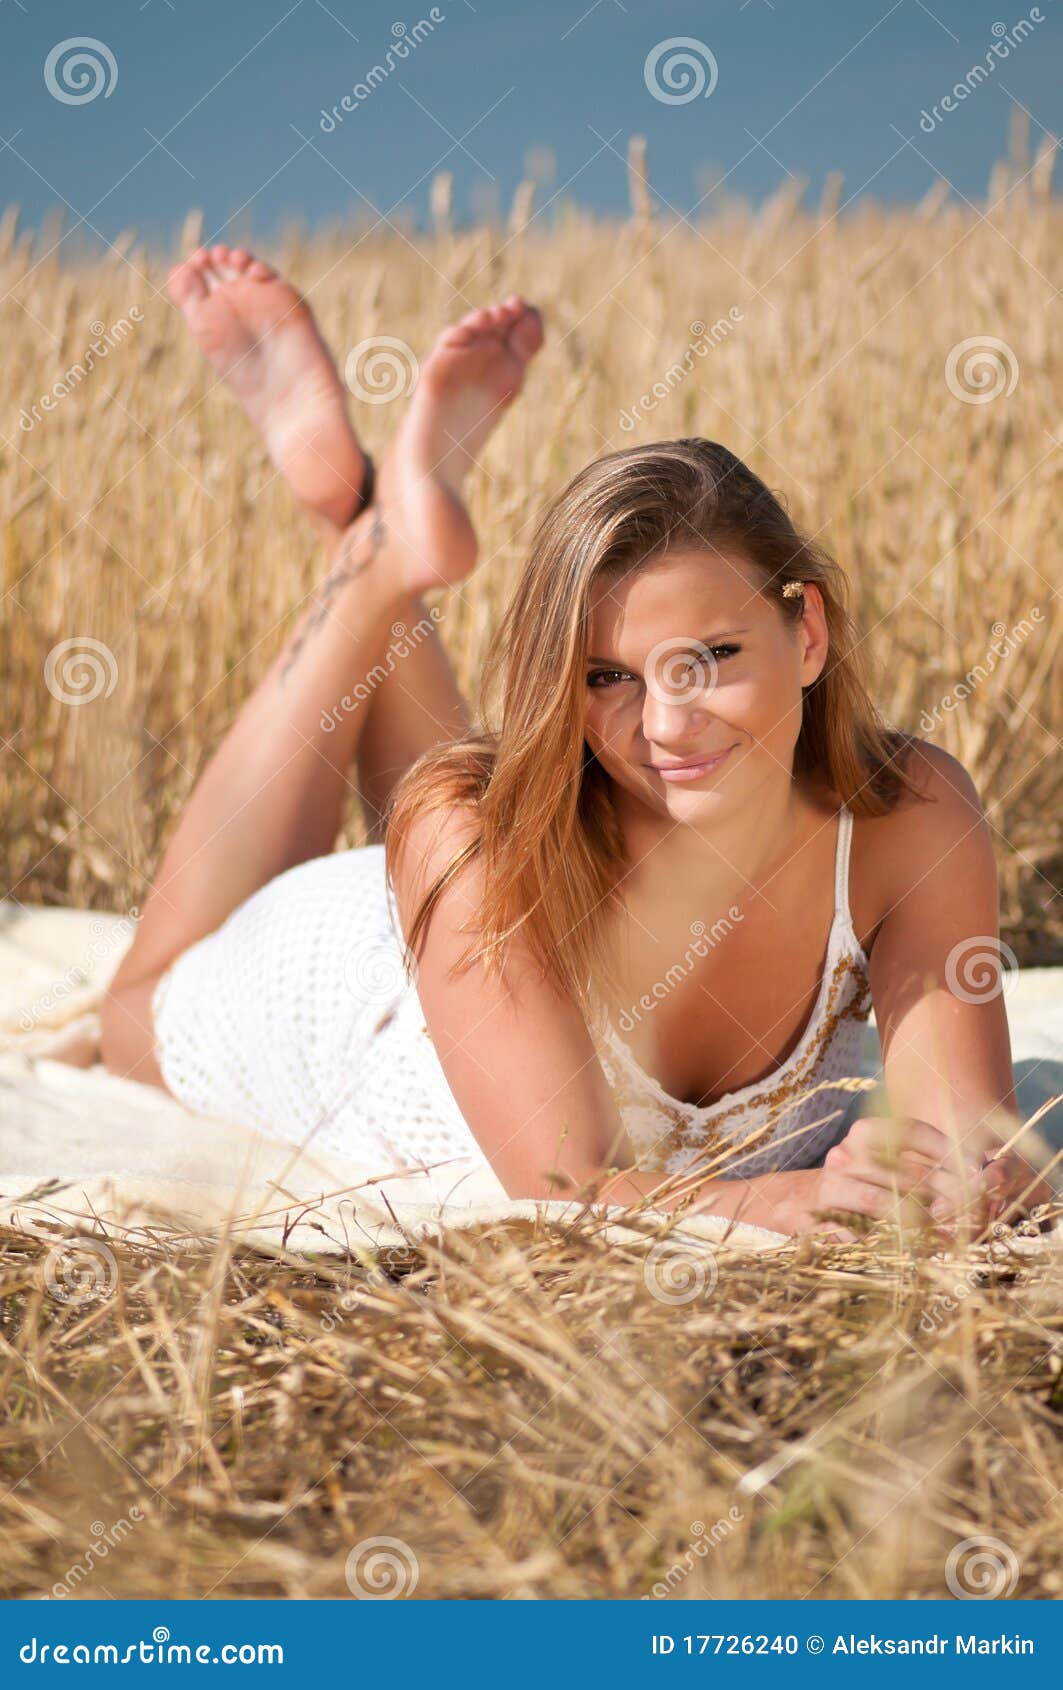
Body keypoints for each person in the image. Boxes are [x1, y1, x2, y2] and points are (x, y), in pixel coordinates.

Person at [100, 245, 1051, 1242]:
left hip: (469, 910)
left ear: (806, 632)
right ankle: (375, 553)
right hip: (352, 998)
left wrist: (955, 1183)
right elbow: (562, 1186)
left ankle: (378, 541)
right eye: (606, 676)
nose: (667, 722)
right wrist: (782, 1197)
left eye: (711, 657)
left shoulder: (909, 816)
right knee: (131, 1014)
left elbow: (967, 1156)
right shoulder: (468, 838)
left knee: (469, 815)